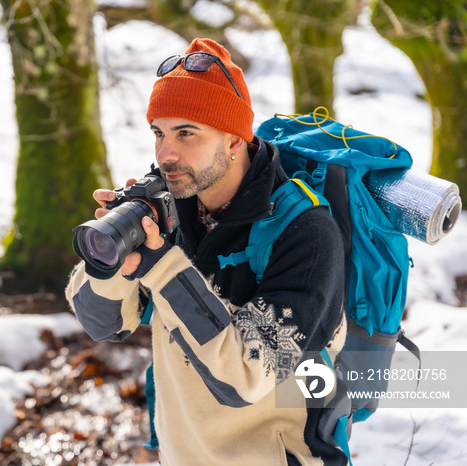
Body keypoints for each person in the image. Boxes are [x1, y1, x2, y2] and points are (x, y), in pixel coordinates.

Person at [65, 37, 347, 466]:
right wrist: (114, 261)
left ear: (235, 141)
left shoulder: (305, 234)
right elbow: (105, 325)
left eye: (186, 134)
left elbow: (246, 378)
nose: (165, 154)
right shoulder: (171, 208)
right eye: (159, 133)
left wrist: (163, 270)